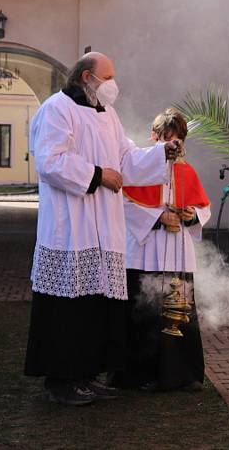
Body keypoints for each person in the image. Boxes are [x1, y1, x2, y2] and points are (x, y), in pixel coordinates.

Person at [23, 52, 182, 406]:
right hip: (71, 228)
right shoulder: (57, 109)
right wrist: (97, 175)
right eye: (107, 77)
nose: (113, 85)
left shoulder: (108, 115)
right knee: (68, 309)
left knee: (95, 307)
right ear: (85, 77)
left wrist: (162, 154)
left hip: (103, 228)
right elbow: (50, 161)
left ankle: (86, 375)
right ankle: (61, 380)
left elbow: (125, 159)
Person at [113, 108, 212, 392]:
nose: (172, 148)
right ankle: (139, 374)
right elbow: (122, 205)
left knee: (177, 312)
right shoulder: (136, 167)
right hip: (143, 251)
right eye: (166, 140)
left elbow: (204, 209)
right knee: (142, 313)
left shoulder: (187, 170)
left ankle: (180, 374)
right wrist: (157, 217)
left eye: (178, 141)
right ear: (154, 137)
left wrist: (190, 214)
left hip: (177, 251)